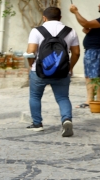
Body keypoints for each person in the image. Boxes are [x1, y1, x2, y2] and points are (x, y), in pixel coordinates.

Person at [25, 7, 80, 136]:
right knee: (63, 97)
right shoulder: (70, 31)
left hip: (39, 71)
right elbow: (76, 52)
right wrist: (70, 67)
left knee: (35, 97)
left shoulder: (36, 31)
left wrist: (31, 65)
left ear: (44, 17)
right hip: (62, 71)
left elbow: (31, 51)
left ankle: (37, 124)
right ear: (60, 18)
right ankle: (66, 119)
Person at [69, 0, 100, 107]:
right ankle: (89, 101)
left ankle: (98, 101)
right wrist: (90, 31)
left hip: (97, 50)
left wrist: (76, 12)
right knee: (89, 76)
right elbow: (88, 27)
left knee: (94, 76)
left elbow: (86, 23)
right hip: (92, 50)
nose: (99, 5)